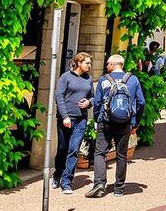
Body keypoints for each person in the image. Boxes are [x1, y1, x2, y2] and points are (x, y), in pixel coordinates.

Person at [86, 55, 145, 198]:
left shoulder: (104, 80)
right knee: (121, 154)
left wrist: (96, 119)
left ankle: (99, 184)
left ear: (113, 64)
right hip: (125, 122)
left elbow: (98, 102)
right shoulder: (132, 79)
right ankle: (119, 188)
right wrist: (135, 122)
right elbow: (141, 102)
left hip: (105, 121)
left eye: (108, 63)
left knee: (100, 153)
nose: (106, 66)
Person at [52, 52, 93, 194]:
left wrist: (89, 103)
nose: (89, 65)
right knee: (63, 148)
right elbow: (59, 96)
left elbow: (93, 97)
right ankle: (57, 174)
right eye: (87, 63)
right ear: (79, 63)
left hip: (81, 119)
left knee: (74, 149)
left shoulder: (88, 79)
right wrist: (64, 116)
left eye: (89, 63)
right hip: (66, 118)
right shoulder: (66, 77)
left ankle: (66, 181)